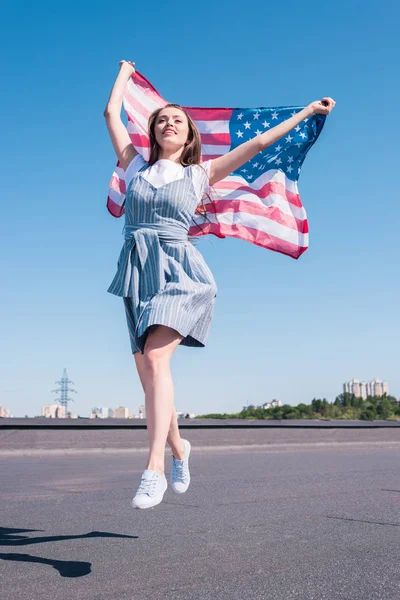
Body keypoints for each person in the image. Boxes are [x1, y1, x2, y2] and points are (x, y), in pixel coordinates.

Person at [104, 60, 336, 510]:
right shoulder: (134, 168)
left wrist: (308, 111)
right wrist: (124, 75)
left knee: (156, 359)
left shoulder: (200, 174)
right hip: (136, 271)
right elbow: (111, 115)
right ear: (152, 133)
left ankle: (153, 467)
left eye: (177, 120)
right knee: (151, 377)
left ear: (190, 136)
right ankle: (179, 449)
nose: (169, 123)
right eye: (161, 120)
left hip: (181, 271)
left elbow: (260, 141)